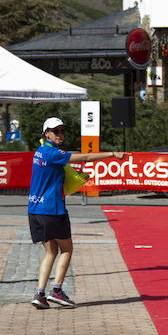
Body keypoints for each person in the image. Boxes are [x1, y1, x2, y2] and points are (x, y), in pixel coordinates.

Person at [29, 117, 125, 309]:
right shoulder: (52, 153)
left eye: (62, 131)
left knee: (50, 252)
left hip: (34, 209)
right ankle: (56, 290)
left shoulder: (39, 152)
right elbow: (86, 157)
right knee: (66, 249)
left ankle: (40, 294)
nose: (60, 135)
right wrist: (113, 154)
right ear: (46, 133)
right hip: (52, 209)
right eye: (56, 131)